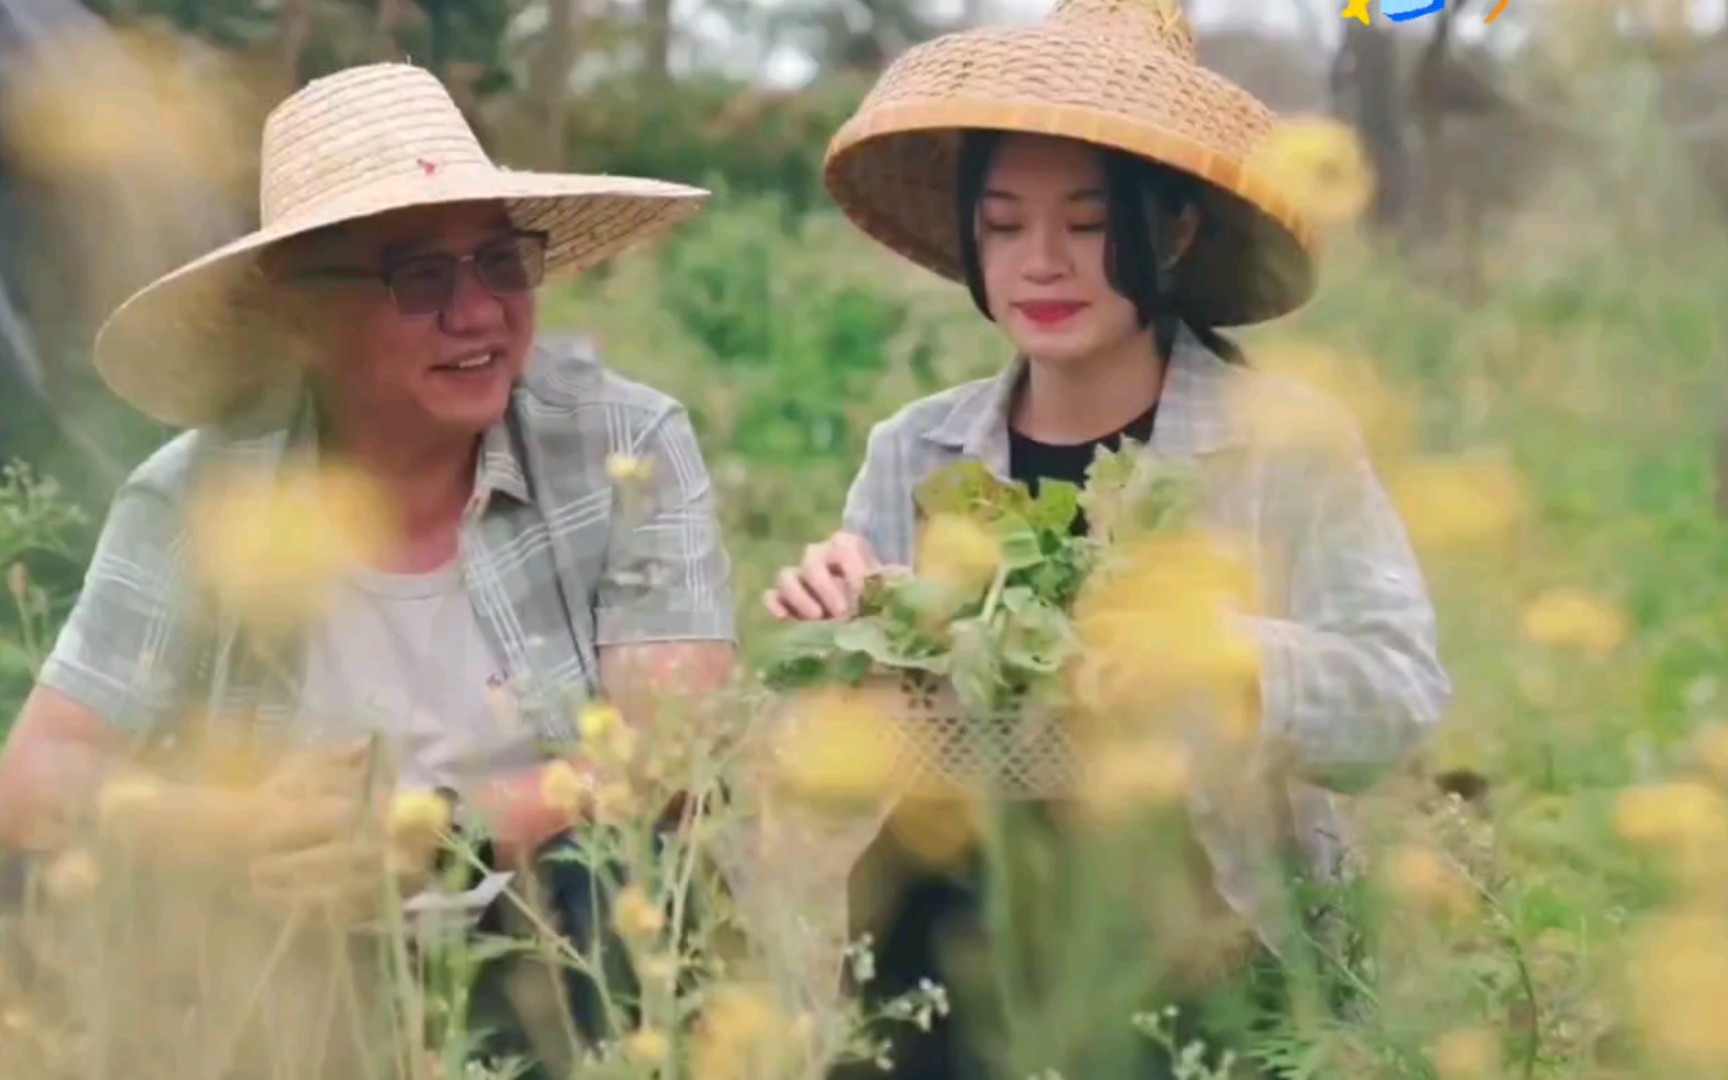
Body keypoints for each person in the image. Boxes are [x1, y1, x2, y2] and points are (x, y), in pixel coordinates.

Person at [765, 0, 1453, 1076]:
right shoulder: (917, 448)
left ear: (1173, 230)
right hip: (951, 946)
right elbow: (849, 765)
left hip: (1204, 940)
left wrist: (1226, 656)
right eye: (1002, 225)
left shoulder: (1286, 443)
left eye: (1087, 224)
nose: (1041, 263)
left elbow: (1399, 699)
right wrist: (851, 625)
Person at [0, 62, 735, 1064]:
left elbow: (676, 749)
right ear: (299, 315)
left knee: (618, 871)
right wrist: (229, 828)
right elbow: (37, 775)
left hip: (542, 944)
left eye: (499, 262)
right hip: (283, 958)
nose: (479, 314)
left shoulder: (621, 443)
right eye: (420, 277)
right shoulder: (198, 498)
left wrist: (450, 829)